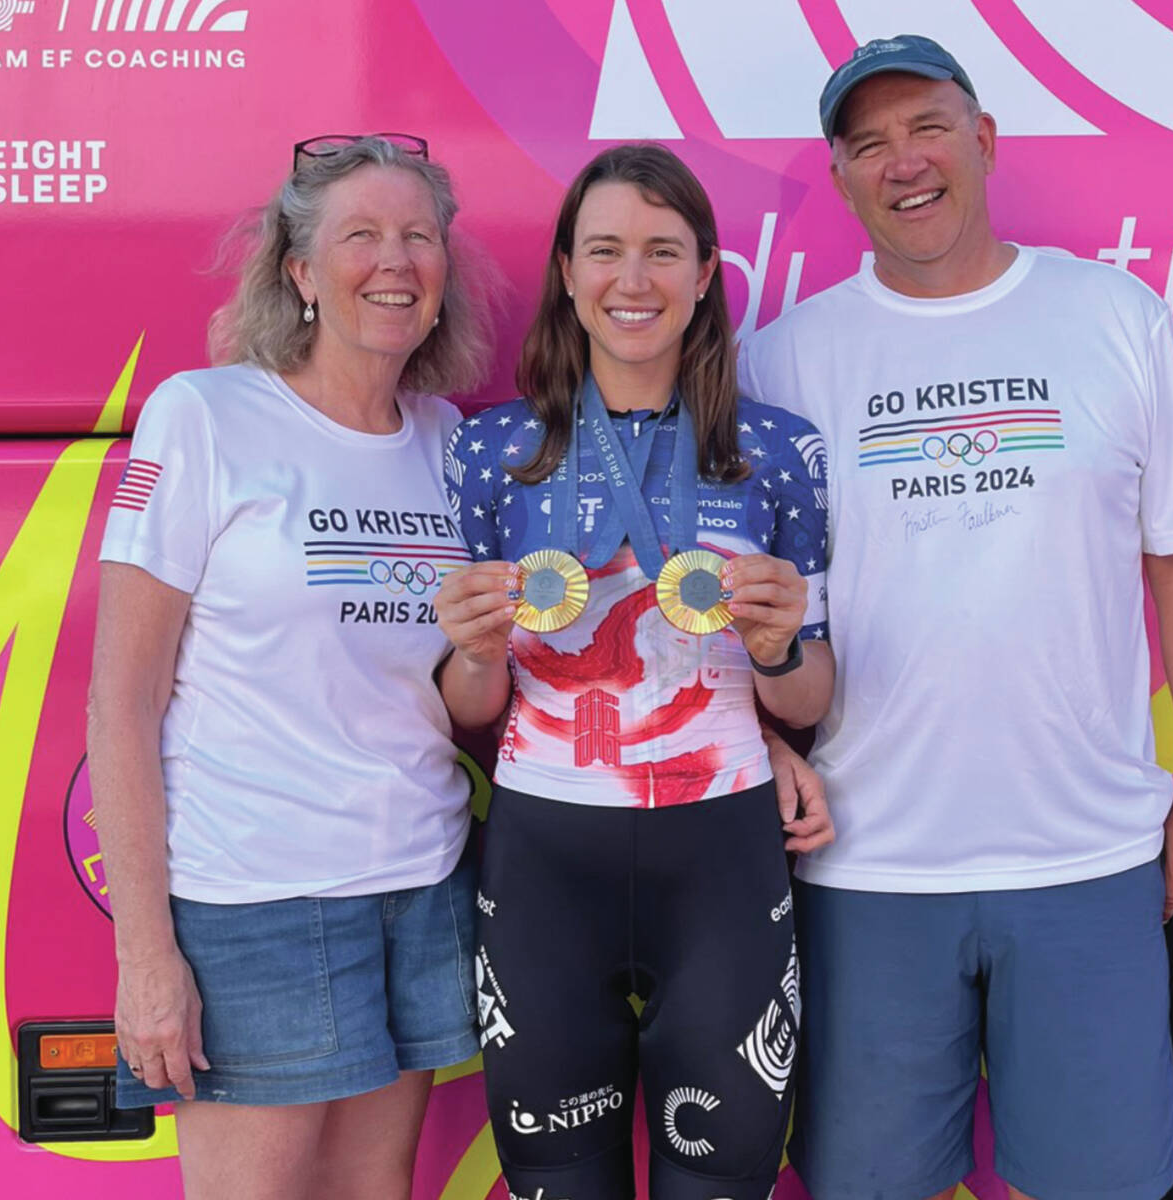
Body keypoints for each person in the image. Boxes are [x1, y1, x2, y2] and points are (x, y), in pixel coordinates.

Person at [738, 37, 1173, 1200]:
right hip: (864, 865)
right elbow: (743, 608)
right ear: (841, 177)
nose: (903, 162)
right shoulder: (785, 359)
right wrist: (765, 746)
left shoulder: (1112, 315)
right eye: (867, 144)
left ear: (985, 139)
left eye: (926, 127)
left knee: (1103, 1183)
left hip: (1085, 856)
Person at [87, 133, 493, 1200]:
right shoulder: (205, 416)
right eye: (360, 235)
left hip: (419, 884)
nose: (395, 260)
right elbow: (121, 706)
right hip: (255, 903)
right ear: (301, 270)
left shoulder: (452, 444)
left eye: (419, 236)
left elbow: (454, 693)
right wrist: (146, 960)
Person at [433, 143, 835, 1200]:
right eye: (605, 250)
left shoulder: (776, 451)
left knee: (722, 1181)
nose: (634, 280)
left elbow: (808, 695)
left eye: (665, 252)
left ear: (706, 274)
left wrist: (777, 647)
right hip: (543, 862)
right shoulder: (493, 453)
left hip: (724, 857)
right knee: (558, 1182)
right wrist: (476, 648)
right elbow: (469, 708)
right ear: (567, 271)